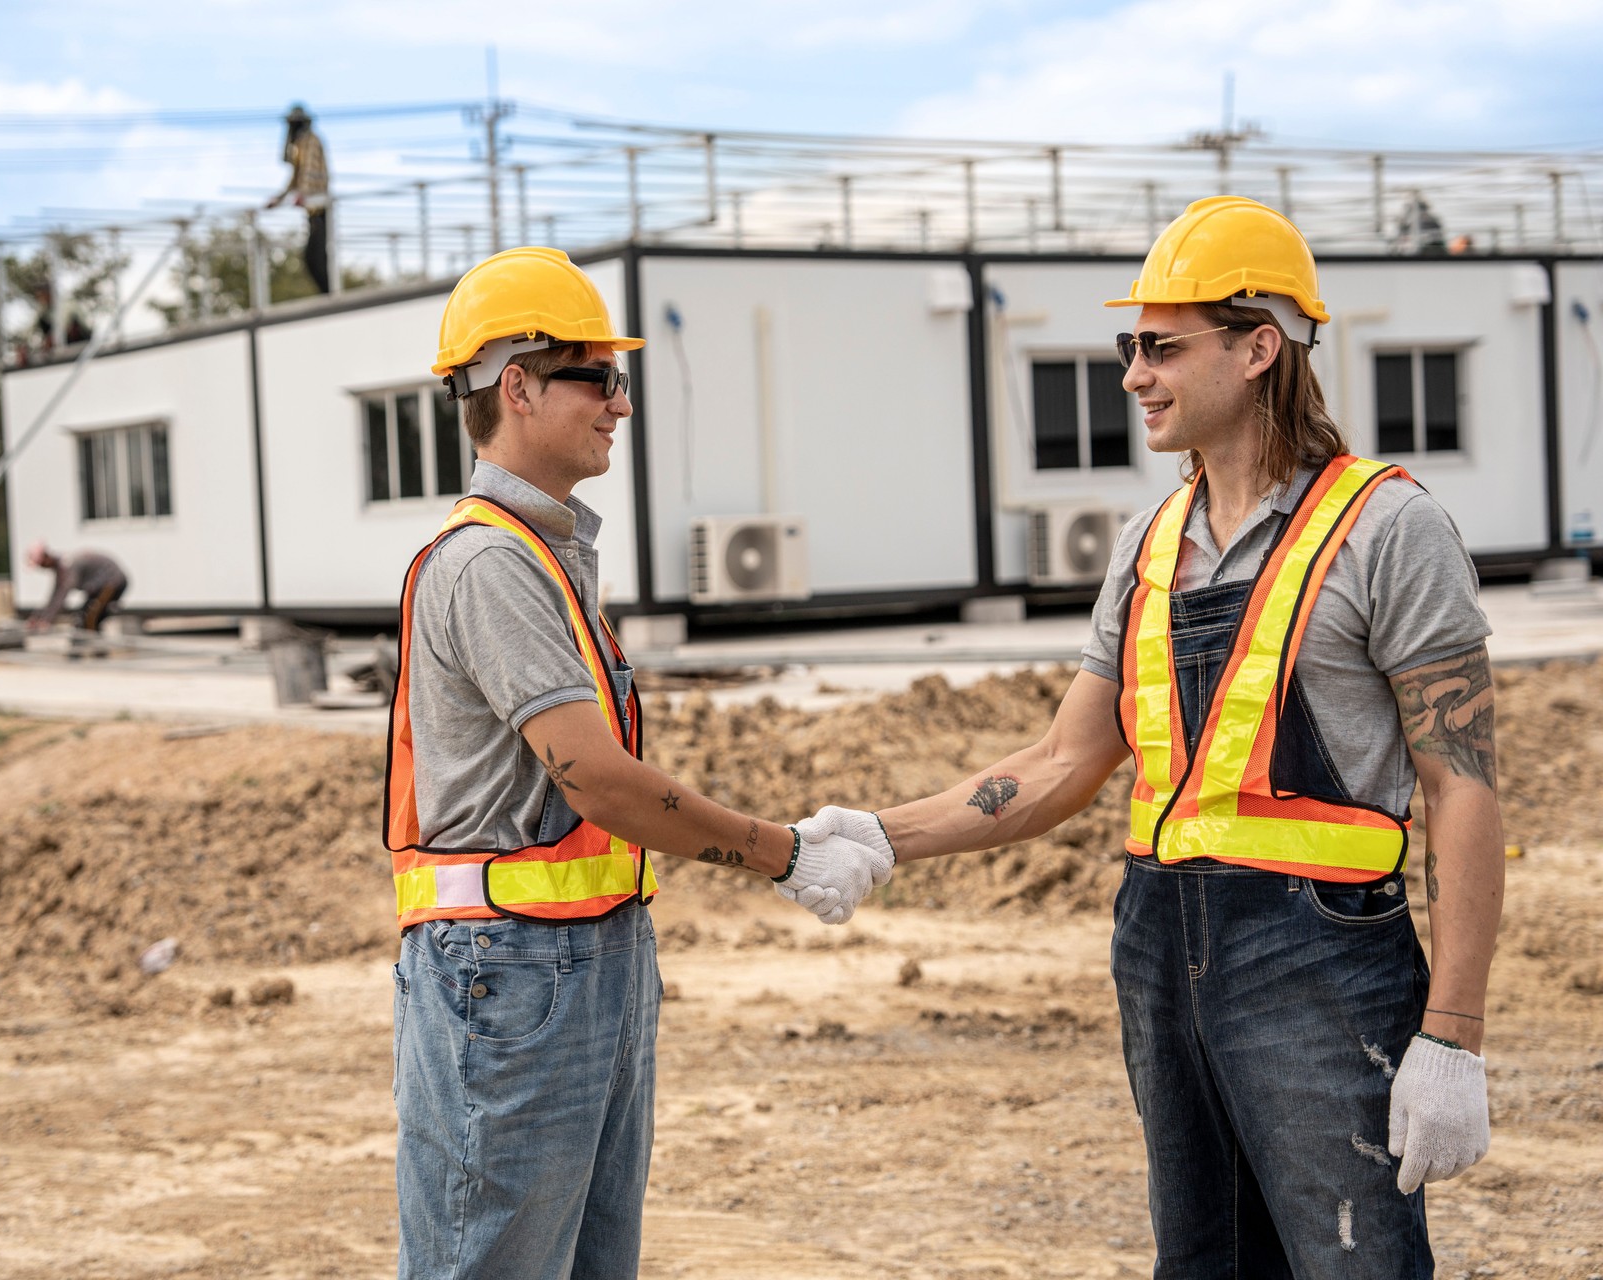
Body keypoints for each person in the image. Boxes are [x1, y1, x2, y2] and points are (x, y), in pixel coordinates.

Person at [804, 197, 1504, 1276]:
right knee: (1207, 1258)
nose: (1132, 372)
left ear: (1259, 346)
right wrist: (882, 834)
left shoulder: (1389, 527)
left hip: (1320, 949)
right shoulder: (1150, 539)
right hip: (1158, 939)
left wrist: (1452, 1033)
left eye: (1162, 347)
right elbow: (1061, 761)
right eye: (1130, 345)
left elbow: (1462, 786)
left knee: (1351, 1260)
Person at [385, 246, 891, 1280]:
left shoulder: (544, 551)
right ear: (516, 385)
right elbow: (595, 776)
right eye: (598, 376)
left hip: (581, 958)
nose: (621, 402)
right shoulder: (489, 562)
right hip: (511, 973)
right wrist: (781, 851)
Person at [266, 104, 333, 295]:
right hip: (311, 210)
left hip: (319, 207)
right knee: (315, 258)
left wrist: (302, 195)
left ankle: (329, 297)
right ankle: (327, 296)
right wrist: (279, 200)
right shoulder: (300, 145)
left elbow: (309, 174)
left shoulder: (311, 141)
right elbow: (295, 177)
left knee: (315, 258)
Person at [24, 542, 128, 633]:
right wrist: (38, 617)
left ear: (46, 558)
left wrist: (47, 621)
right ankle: (92, 647)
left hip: (112, 582)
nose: (42, 568)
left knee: (90, 617)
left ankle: (96, 650)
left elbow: (61, 597)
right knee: (81, 618)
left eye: (41, 564)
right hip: (99, 588)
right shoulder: (62, 568)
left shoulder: (68, 567)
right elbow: (54, 597)